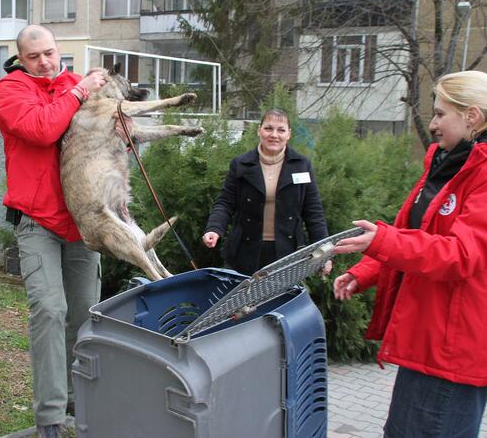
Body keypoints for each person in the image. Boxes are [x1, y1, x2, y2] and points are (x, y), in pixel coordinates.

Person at [333, 70, 487, 437]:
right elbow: (412, 234)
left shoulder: (480, 173)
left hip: (451, 350)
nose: (432, 125)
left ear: (472, 117)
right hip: (426, 340)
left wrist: (382, 242)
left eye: (440, 114)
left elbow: (460, 255)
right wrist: (366, 269)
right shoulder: (445, 164)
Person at [0, 25, 122, 438]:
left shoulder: (73, 84)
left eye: (49, 52)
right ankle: (49, 416)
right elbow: (44, 129)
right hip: (38, 223)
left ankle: (78, 401)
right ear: (21, 58)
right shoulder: (11, 91)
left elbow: (107, 129)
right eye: (35, 56)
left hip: (82, 221)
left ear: (58, 50)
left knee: (85, 314)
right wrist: (82, 91)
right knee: (50, 311)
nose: (45, 62)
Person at [202, 109, 331, 275]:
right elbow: (225, 202)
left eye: (281, 130)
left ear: (289, 134)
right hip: (243, 252)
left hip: (287, 254)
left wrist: (325, 253)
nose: (274, 135)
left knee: (281, 301)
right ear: (259, 130)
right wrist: (214, 228)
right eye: (268, 128)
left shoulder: (302, 165)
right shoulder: (240, 164)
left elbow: (314, 212)